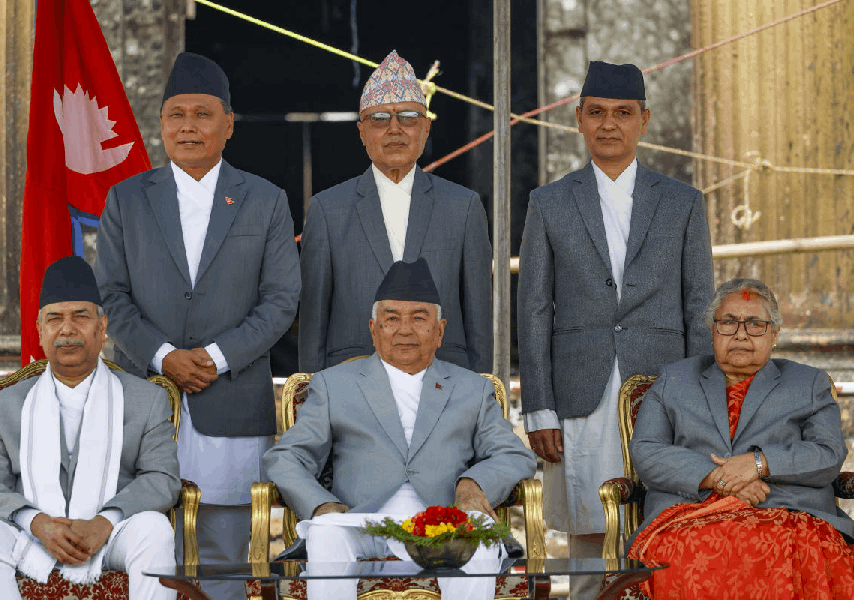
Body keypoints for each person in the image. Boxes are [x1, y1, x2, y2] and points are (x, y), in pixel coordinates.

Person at [94, 52, 301, 600]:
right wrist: (163, 356)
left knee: (225, 556)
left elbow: (282, 300)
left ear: (228, 124)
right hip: (144, 400)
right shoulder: (126, 199)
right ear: (161, 124)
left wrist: (217, 356)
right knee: (145, 548)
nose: (188, 126)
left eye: (203, 114)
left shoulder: (265, 200)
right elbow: (110, 295)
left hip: (230, 399)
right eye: (176, 114)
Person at [516, 60, 714, 597]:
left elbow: (700, 306)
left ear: (644, 121)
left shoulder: (683, 202)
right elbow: (533, 309)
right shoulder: (549, 203)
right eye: (597, 112)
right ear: (578, 118)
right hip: (580, 390)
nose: (609, 124)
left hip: (664, 389)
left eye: (623, 113)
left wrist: (701, 403)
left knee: (666, 523)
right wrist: (539, 407)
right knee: (588, 530)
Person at [264, 258, 536, 600]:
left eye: (419, 318)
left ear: (440, 330)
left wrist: (472, 484)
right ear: (373, 329)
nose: (404, 330)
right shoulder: (334, 385)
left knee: (477, 539)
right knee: (326, 533)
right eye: (391, 319)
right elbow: (286, 458)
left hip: (443, 525)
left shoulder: (471, 389)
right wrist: (321, 506)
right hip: (360, 523)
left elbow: (513, 454)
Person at [0, 256, 180, 599]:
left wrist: (105, 522)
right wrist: (37, 523)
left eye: (81, 316)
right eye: (55, 319)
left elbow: (162, 478)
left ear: (102, 327)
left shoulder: (146, 400)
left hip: (113, 534)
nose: (67, 329)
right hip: (30, 534)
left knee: (155, 529)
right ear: (40, 330)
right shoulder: (4, 405)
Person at [627, 278, 854, 598]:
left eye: (755, 324)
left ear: (775, 334)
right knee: (699, 550)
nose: (741, 334)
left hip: (786, 512)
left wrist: (758, 463)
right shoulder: (674, 380)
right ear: (712, 331)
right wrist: (718, 476)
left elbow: (828, 453)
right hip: (690, 514)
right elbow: (647, 450)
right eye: (728, 322)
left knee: (780, 546)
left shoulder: (808, 383)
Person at [298, 49, 492, 373]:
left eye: (408, 117)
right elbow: (312, 329)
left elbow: (479, 326)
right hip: (351, 389)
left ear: (426, 128)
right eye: (379, 119)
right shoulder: (327, 210)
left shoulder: (463, 207)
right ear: (361, 132)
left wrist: (478, 396)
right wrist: (314, 397)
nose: (395, 129)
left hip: (444, 387)